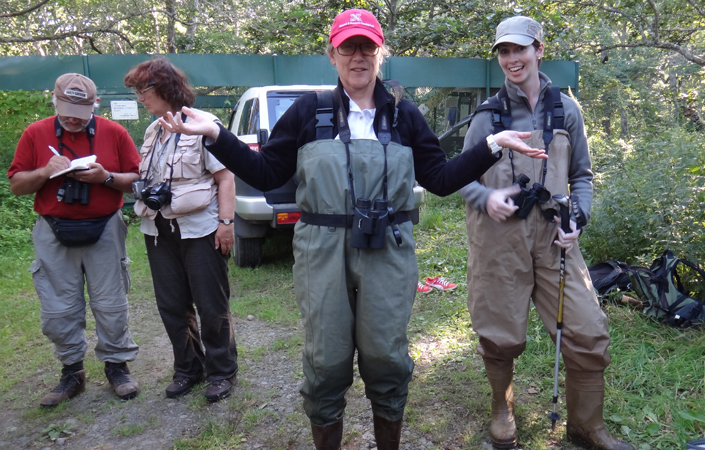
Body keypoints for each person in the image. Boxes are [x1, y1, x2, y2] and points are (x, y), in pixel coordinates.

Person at [157, 9, 545, 449]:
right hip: (322, 250)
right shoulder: (309, 111)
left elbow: (438, 179)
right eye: (348, 47)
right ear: (333, 54)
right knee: (326, 361)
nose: (357, 56)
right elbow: (267, 174)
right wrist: (217, 135)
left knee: (386, 358)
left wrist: (492, 146)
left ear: (381, 55)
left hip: (389, 249)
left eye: (367, 47)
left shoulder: (403, 115)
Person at [458, 16, 633, 450]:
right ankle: (502, 411)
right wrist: (486, 199)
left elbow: (583, 176)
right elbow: (460, 177)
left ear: (539, 48)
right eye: (504, 51)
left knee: (588, 330)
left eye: (520, 49)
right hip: (498, 238)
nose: (512, 59)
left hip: (555, 238)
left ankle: (586, 426)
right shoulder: (488, 116)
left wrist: (580, 218)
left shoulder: (567, 111)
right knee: (500, 334)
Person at [8, 73, 141, 407]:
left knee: (111, 302)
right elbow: (16, 185)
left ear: (94, 105)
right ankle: (72, 372)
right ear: (54, 100)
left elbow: (137, 180)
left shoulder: (115, 132)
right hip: (52, 228)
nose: (71, 118)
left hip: (106, 227)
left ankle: (117, 367)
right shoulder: (36, 133)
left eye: (80, 113)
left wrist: (105, 177)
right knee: (58, 306)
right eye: (66, 110)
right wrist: (44, 171)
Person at [123, 58, 238, 402]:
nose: (140, 97)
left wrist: (226, 224)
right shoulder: (153, 131)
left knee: (210, 303)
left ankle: (222, 371)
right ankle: (189, 367)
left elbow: (226, 177)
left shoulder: (203, 124)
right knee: (172, 304)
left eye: (144, 89)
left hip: (201, 229)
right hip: (158, 231)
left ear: (164, 87)